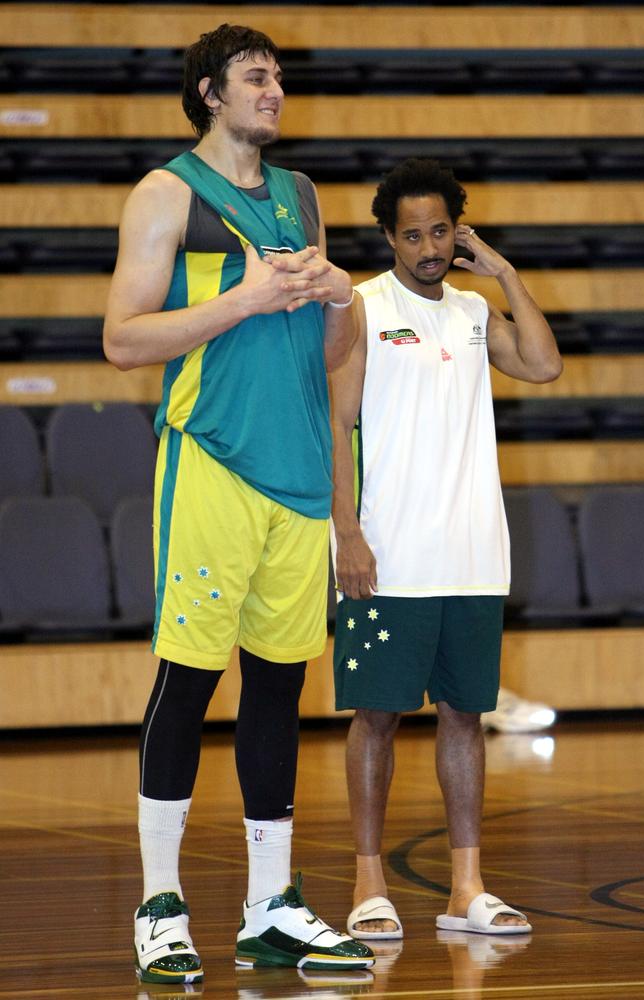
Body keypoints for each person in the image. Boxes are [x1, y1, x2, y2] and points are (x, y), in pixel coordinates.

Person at [103, 23, 373, 984]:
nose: (275, 91)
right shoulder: (165, 194)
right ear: (210, 91)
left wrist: (341, 297)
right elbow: (124, 342)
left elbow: (335, 357)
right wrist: (246, 299)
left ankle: (271, 906)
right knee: (188, 677)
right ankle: (160, 902)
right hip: (213, 464)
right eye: (256, 77)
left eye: (281, 78)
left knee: (278, 691)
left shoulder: (302, 198)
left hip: (300, 473)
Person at [329, 157, 562, 941]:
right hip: (387, 555)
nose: (427, 246)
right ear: (389, 238)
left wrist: (502, 272)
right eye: (411, 234)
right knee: (377, 717)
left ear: (456, 231)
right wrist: (346, 533)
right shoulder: (362, 308)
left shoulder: (470, 310)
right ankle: (369, 886)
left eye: (439, 231)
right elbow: (334, 424)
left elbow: (543, 363)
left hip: (471, 555)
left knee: (465, 716)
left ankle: (466, 887)